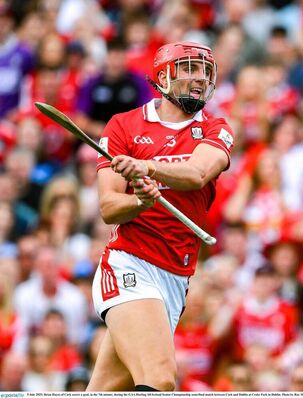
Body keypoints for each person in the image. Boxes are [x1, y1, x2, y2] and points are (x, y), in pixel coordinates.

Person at [87, 41, 234, 391]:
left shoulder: (216, 128)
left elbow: (198, 173)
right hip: (130, 265)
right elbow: (109, 207)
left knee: (104, 391)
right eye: (189, 69)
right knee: (160, 378)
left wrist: (147, 167)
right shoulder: (123, 126)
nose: (200, 78)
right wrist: (140, 202)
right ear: (163, 77)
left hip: (176, 275)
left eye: (205, 71)